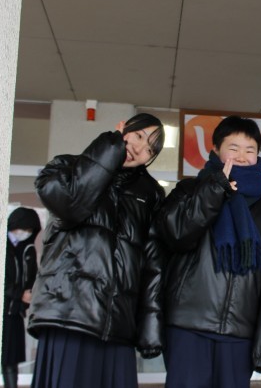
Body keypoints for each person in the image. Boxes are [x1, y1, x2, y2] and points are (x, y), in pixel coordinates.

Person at [27, 113, 166, 388]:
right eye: (138, 136)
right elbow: (71, 205)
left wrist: (150, 328)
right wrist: (110, 149)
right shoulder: (65, 167)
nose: (140, 148)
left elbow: (152, 264)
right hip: (69, 314)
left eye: (150, 149)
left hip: (118, 323)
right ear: (123, 129)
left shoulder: (150, 194)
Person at [155, 116, 261, 388]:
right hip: (188, 323)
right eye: (233, 148)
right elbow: (176, 234)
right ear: (215, 150)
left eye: (250, 149)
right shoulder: (189, 190)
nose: (242, 156)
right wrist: (215, 189)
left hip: (240, 331)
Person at [3, 207, 41, 388]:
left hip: (16, 312)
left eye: (30, 230)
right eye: (25, 228)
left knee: (11, 360)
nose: (26, 233)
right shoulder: (4, 246)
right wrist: (19, 294)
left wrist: (29, 293)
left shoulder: (28, 249)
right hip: (5, 310)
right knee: (6, 358)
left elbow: (32, 277)